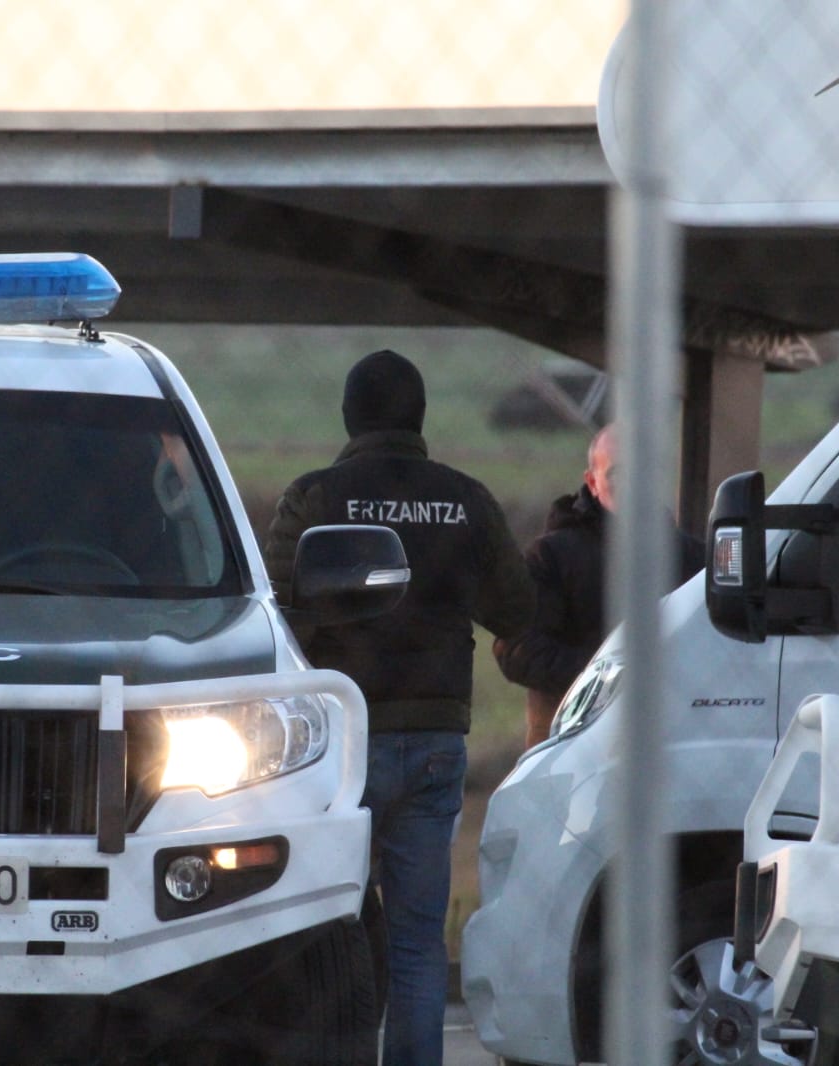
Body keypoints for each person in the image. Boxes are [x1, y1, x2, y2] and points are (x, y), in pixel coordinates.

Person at [264, 348, 534, 1066]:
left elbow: (272, 617)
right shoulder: (466, 499)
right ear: (419, 416)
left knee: (327, 932)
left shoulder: (316, 496)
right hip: (434, 743)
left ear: (349, 416)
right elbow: (516, 610)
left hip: (339, 747)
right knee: (418, 944)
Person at [494, 423, 703, 750]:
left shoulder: (690, 557)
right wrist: (610, 678)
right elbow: (518, 651)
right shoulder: (552, 556)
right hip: (570, 744)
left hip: (668, 742)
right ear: (592, 482)